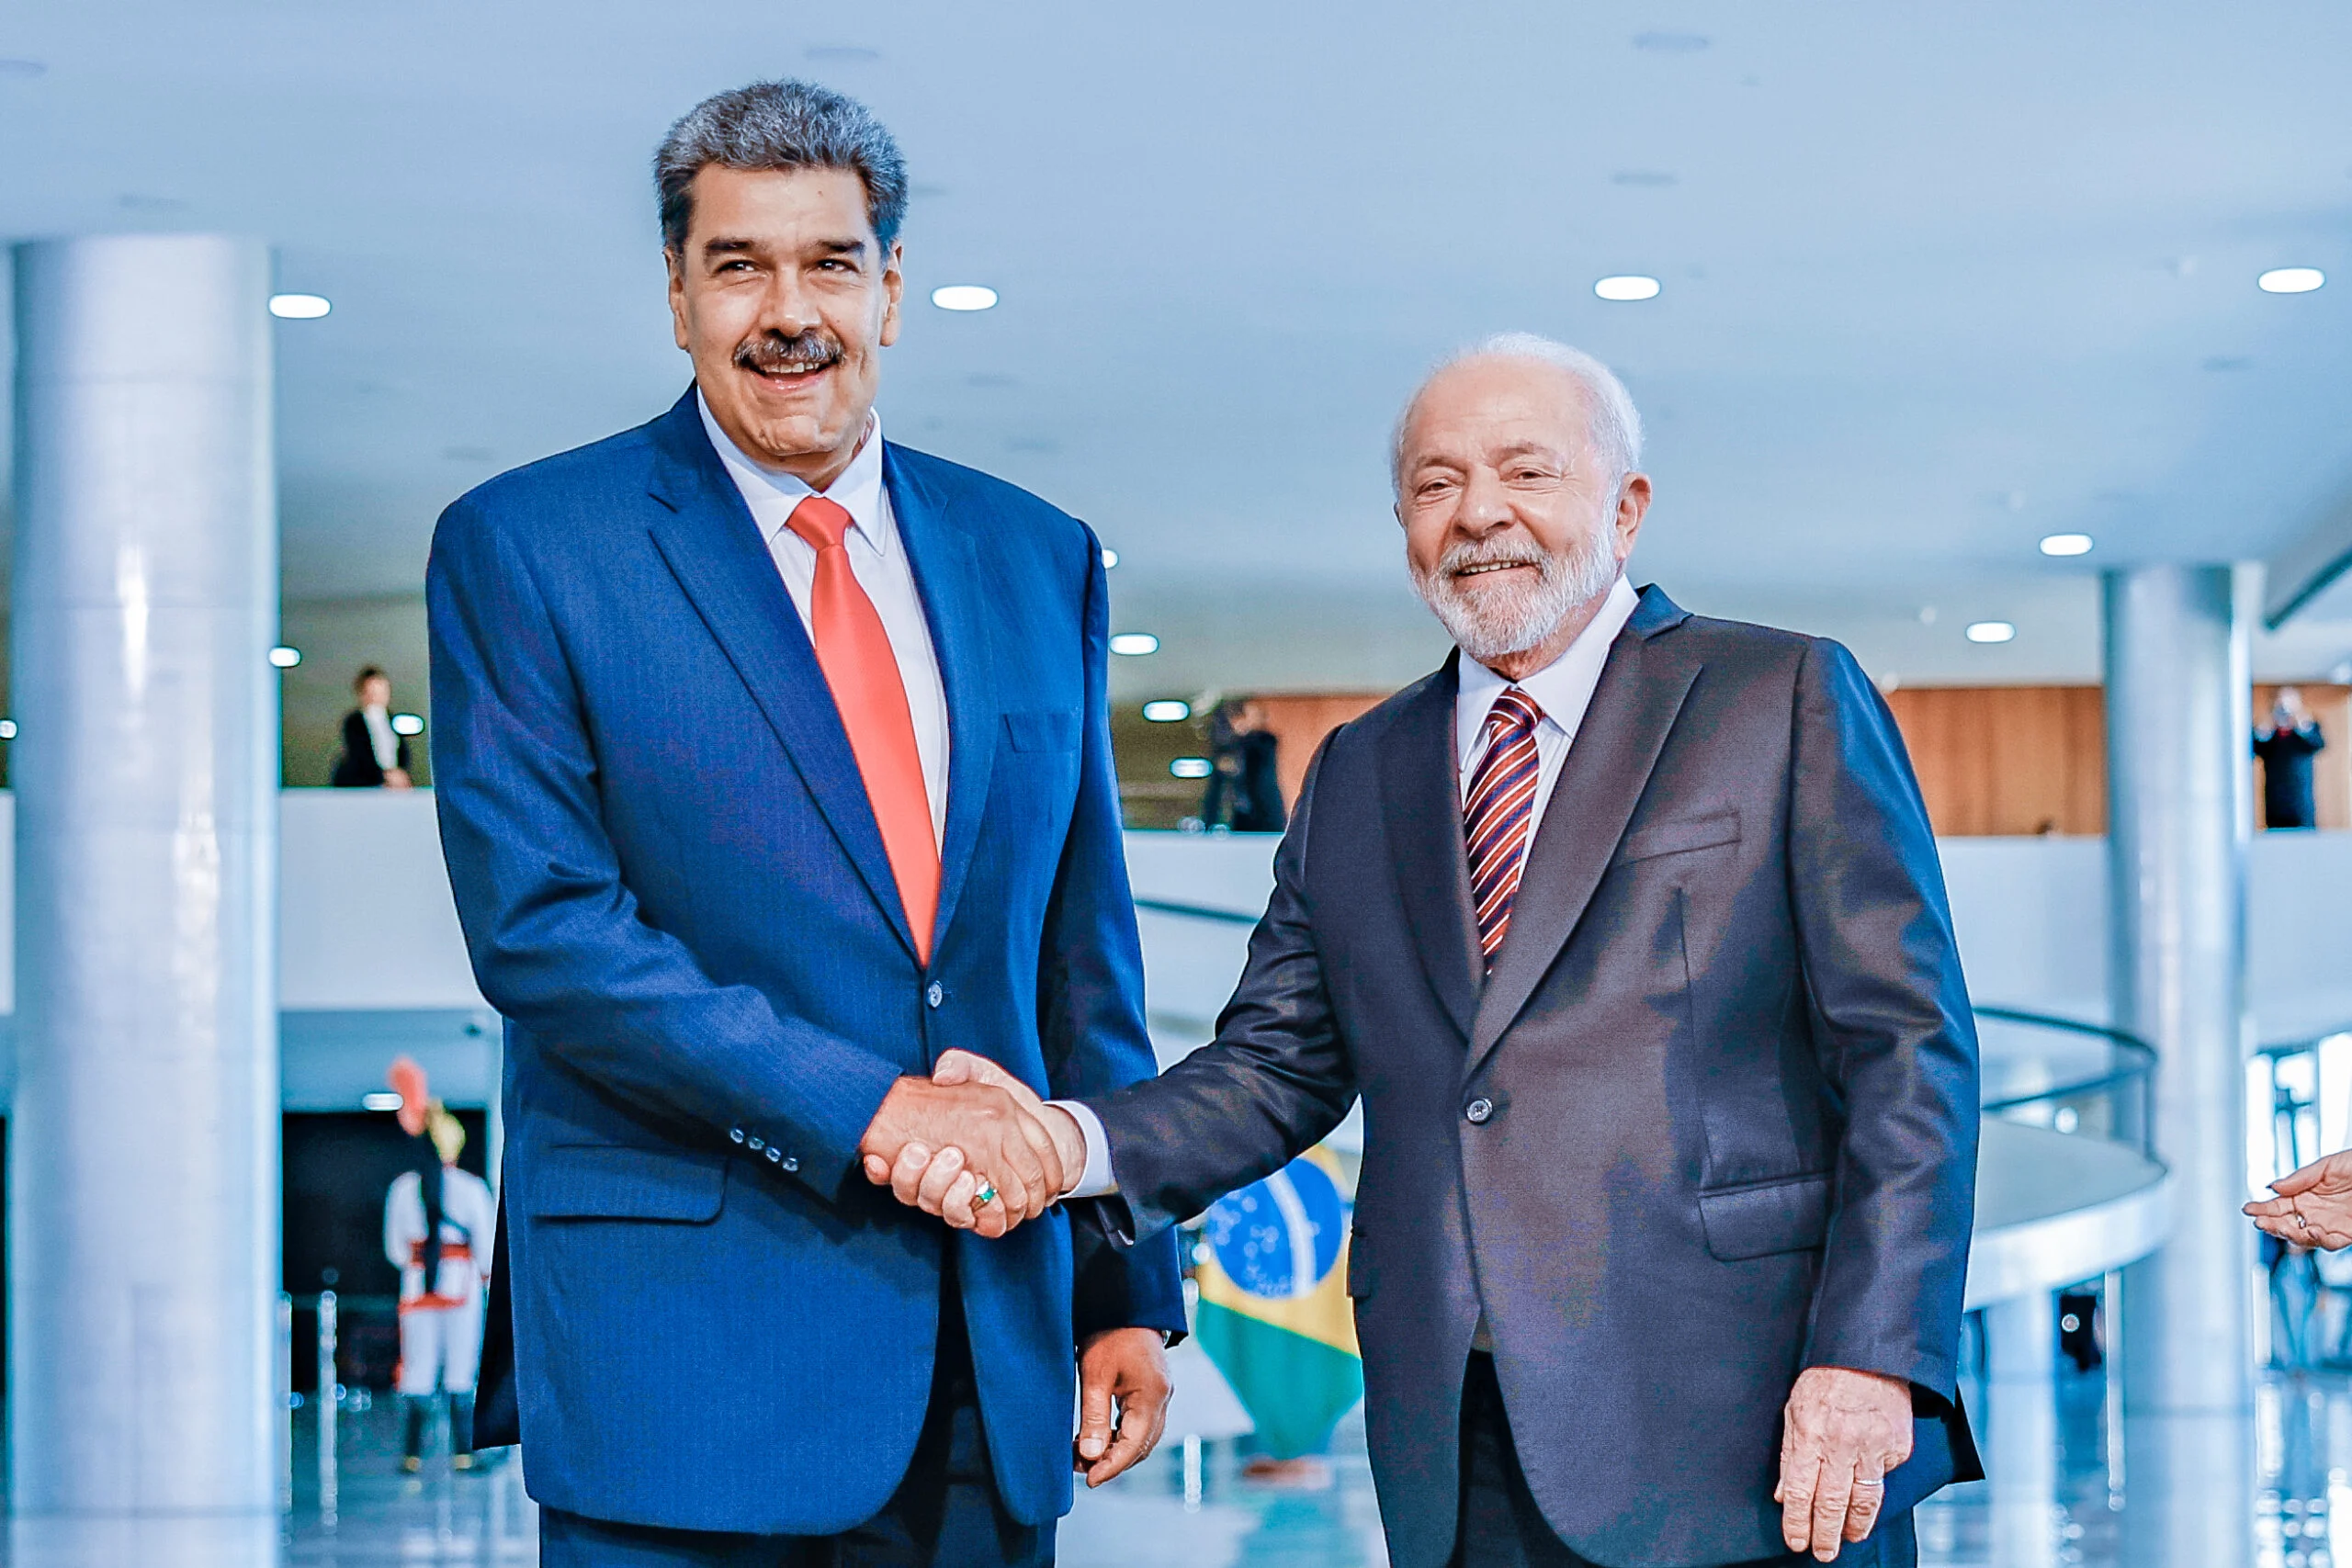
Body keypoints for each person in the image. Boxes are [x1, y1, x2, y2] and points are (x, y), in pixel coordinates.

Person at [887, 334, 1983, 1567]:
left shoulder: (1780, 696)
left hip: (1751, 1417)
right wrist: (1062, 1142)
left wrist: (1872, 1355)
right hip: (1457, 1438)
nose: (1479, 514)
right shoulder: (1360, 768)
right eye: (1436, 483)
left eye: (1526, 471)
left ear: (1626, 507)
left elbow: (1907, 1052)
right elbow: (1272, 1068)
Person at [426, 79, 1182, 1566]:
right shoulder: (530, 548)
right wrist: (876, 1109)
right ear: (677, 293)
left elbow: (1080, 953)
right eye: (740, 265)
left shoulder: (1037, 555)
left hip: (988, 1347)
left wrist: (1125, 1286)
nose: (790, 312)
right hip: (682, 1374)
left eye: (831, 263)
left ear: (891, 288)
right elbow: (546, 934)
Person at [383, 1076, 497, 1472]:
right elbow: (487, 1248)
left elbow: (395, 1250)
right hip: (461, 1283)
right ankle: (463, 1454)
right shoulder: (470, 1188)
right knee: (461, 1367)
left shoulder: (402, 1189)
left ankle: (411, 1456)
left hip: (417, 1286)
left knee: (417, 1367)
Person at [1200, 699, 1286, 833]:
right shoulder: (1228, 749)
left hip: (1266, 812)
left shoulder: (1264, 741)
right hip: (1242, 814)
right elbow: (1216, 791)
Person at [332, 666, 415, 788]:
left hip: (392, 787)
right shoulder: (354, 722)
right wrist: (385, 776)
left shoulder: (393, 720)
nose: (378, 697)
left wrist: (400, 774)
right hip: (364, 785)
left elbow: (403, 751)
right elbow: (360, 755)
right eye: (373, 693)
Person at [2255, 687, 2326, 829]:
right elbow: (2255, 748)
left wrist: (2300, 721)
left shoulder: (2306, 729)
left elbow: (2317, 744)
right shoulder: (2269, 733)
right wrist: (2267, 724)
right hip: (2275, 801)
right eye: (2280, 702)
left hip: (2301, 801)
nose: (2284, 708)